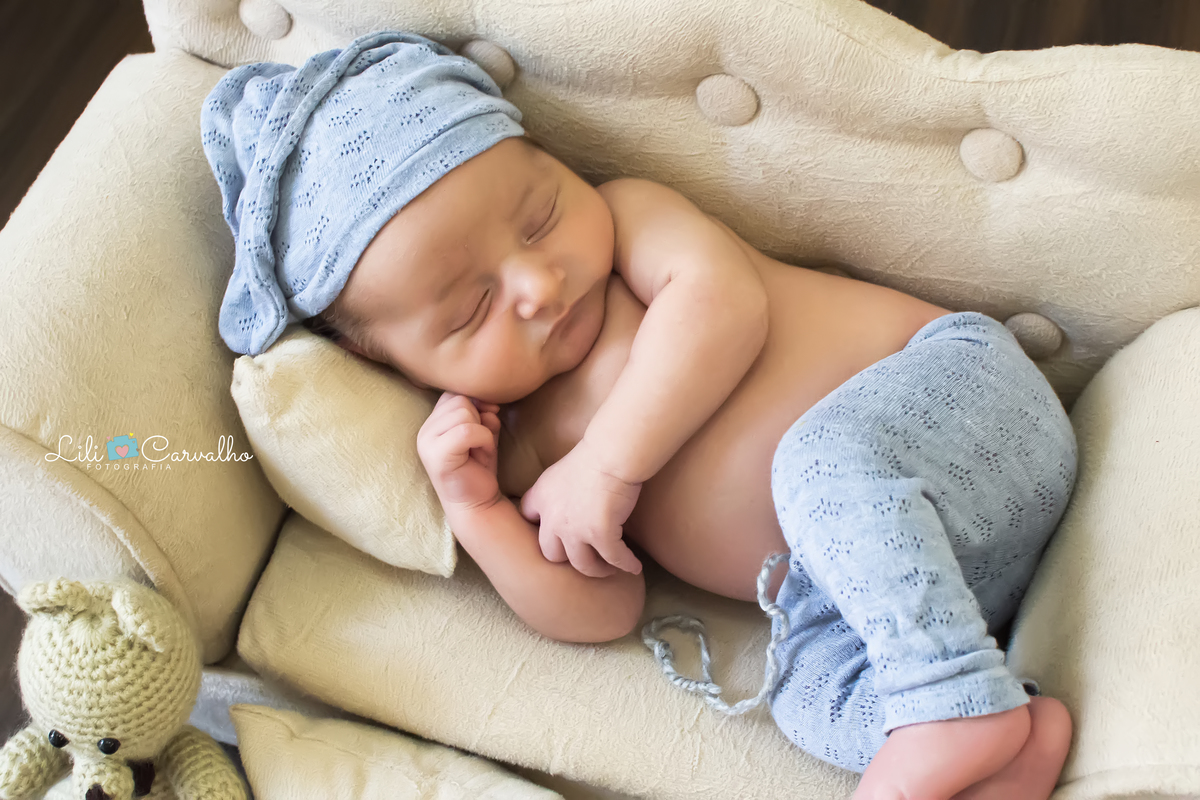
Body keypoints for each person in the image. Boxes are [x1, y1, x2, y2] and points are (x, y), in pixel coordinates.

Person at [201, 30, 1078, 800]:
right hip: (890, 597)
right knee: (802, 691)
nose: (539, 284)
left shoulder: (628, 223)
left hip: (960, 408)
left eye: (541, 218)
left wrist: (606, 463)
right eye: (471, 308)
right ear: (387, 360)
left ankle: (951, 712)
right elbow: (605, 605)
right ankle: (1000, 727)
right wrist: (479, 512)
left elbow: (724, 305)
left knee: (819, 465)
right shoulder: (516, 441)